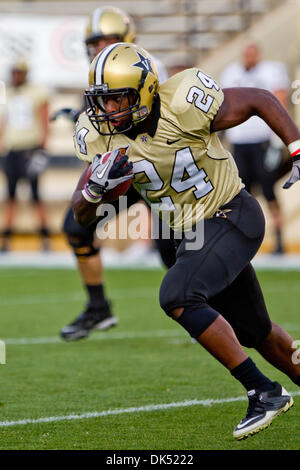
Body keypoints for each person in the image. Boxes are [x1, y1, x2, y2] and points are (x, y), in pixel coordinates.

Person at [71, 43, 300, 440]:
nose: (107, 112)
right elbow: (80, 218)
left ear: (144, 91)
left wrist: (296, 148)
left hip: (231, 214)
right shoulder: (101, 137)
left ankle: (263, 391)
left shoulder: (182, 103)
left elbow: (260, 99)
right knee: (258, 332)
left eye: (117, 100)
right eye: (101, 102)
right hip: (191, 232)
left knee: (177, 293)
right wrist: (94, 191)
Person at [54, 6, 173, 341]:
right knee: (76, 227)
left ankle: (208, 308)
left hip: (157, 171)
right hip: (123, 172)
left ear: (125, 38)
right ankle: (98, 308)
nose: (98, 48)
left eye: (106, 40)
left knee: (171, 249)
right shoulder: (101, 71)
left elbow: (141, 117)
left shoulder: (149, 66)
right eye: (95, 42)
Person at [220, 41, 290, 254]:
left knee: (269, 192)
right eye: (247, 54)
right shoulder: (231, 73)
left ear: (258, 55)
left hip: (262, 142)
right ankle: (243, 239)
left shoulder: (271, 71)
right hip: (240, 143)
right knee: (241, 193)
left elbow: (280, 100)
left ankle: (279, 239)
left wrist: (279, 138)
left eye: (253, 54)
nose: (250, 58)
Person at [0, 58, 50, 252]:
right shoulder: (7, 93)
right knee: (10, 196)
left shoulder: (36, 92)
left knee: (36, 196)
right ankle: (7, 240)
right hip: (13, 149)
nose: (16, 76)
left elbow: (44, 118)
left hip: (30, 148)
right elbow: (4, 120)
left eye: (19, 73)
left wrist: (42, 148)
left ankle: (44, 238)